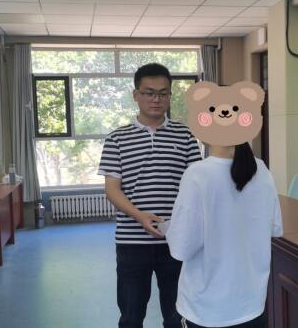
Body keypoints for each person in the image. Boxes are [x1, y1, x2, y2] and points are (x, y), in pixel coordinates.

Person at [163, 81, 283, 328]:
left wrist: (168, 228)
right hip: (252, 305)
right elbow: (274, 228)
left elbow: (182, 248)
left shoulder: (197, 174)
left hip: (207, 310)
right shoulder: (262, 170)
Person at [98, 63, 202, 328]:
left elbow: (197, 185)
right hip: (131, 242)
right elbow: (112, 189)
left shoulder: (185, 135)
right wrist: (139, 216)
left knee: (178, 315)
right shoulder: (116, 139)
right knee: (131, 316)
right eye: (149, 93)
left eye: (163, 93)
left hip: (176, 240)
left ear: (170, 96)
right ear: (136, 95)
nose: (156, 99)